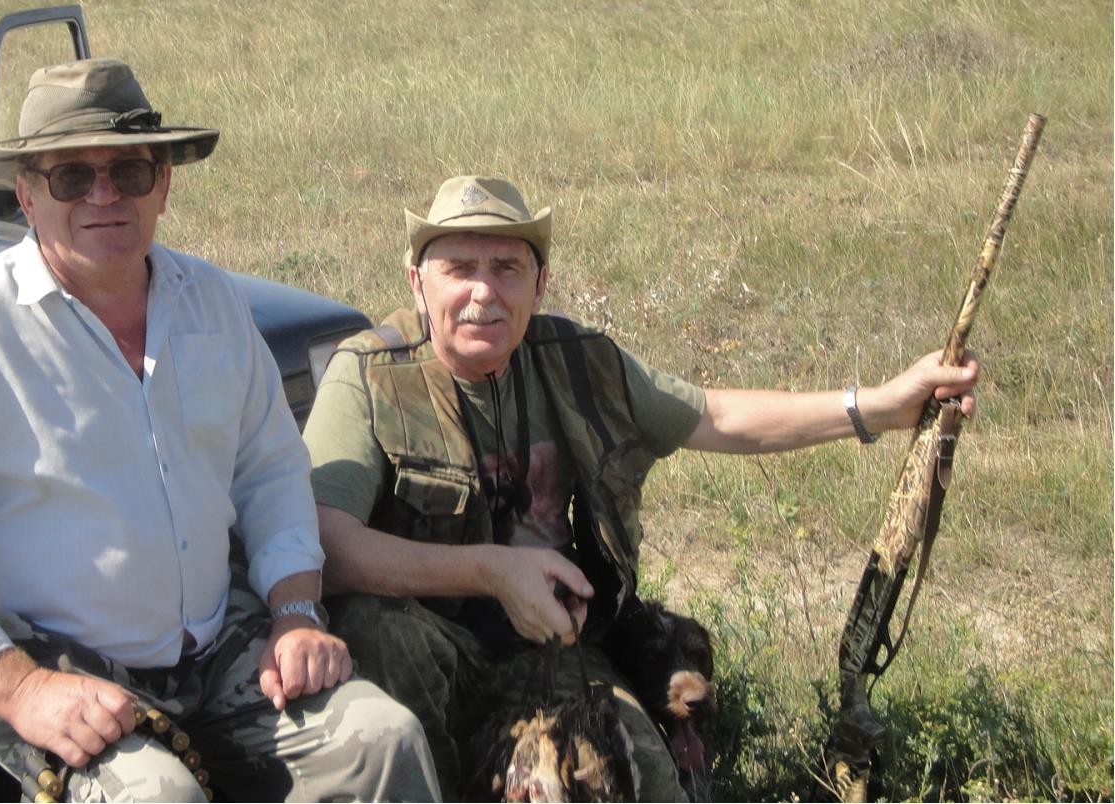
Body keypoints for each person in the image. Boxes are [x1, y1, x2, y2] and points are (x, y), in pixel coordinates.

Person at [0, 58, 437, 803]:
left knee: (383, 740)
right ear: (26, 195)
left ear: (163, 184)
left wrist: (294, 612)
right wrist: (17, 687)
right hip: (59, 669)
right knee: (158, 798)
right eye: (71, 176)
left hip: (222, 639)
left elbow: (270, 468)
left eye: (128, 171)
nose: (104, 195)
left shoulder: (212, 301)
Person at [302, 175, 980, 801]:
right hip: (429, 662)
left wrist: (881, 407)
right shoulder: (369, 374)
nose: (483, 292)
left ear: (540, 284)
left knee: (641, 779)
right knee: (376, 631)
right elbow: (327, 544)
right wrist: (493, 572)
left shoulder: (575, 362)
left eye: (506, 268)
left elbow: (716, 417)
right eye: (459, 268)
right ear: (418, 283)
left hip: (556, 651)